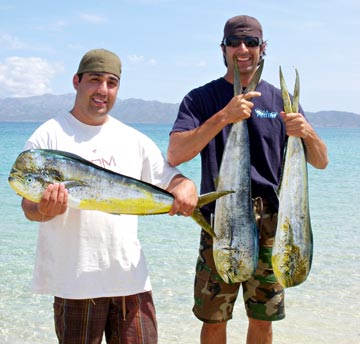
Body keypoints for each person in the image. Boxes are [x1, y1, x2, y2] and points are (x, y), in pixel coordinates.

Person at [167, 15, 328, 344]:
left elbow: (321, 161)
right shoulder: (201, 99)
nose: (243, 49)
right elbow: (176, 153)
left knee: (264, 319)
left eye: (251, 42)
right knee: (214, 318)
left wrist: (306, 132)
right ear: (223, 48)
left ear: (262, 47)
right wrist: (224, 117)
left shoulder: (280, 102)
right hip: (221, 220)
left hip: (272, 225)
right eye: (235, 42)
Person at [21, 48, 198, 344]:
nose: (103, 90)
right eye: (95, 80)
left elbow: (170, 179)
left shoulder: (134, 139)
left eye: (112, 82)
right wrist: (44, 211)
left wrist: (186, 185)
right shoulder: (48, 136)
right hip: (75, 285)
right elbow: (28, 206)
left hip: (131, 281)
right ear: (77, 81)